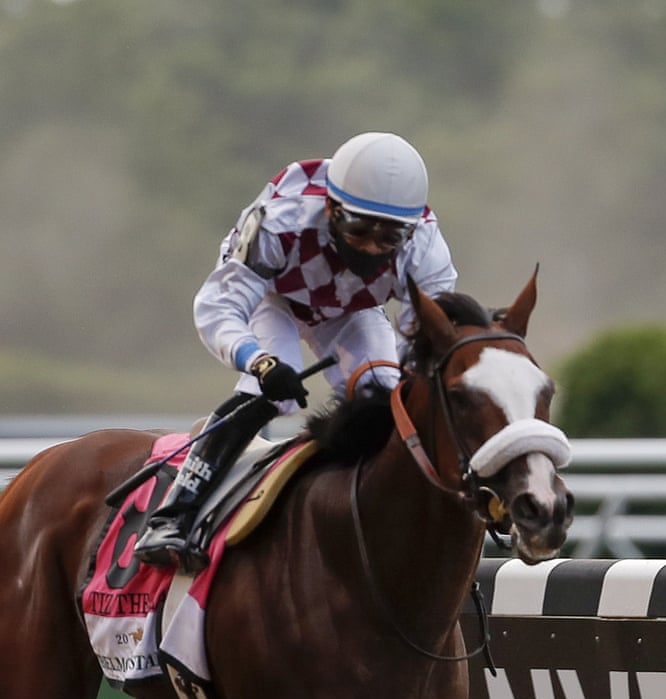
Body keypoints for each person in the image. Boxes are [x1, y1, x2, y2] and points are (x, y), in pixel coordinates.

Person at [134, 130, 458, 570]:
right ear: (330, 207)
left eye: (389, 238)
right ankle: (173, 514)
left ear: (411, 228)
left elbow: (423, 347)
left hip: (352, 309)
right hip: (273, 295)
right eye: (359, 228)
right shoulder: (282, 220)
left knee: (387, 390)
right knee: (275, 390)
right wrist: (259, 362)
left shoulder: (424, 249)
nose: (370, 248)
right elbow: (218, 308)